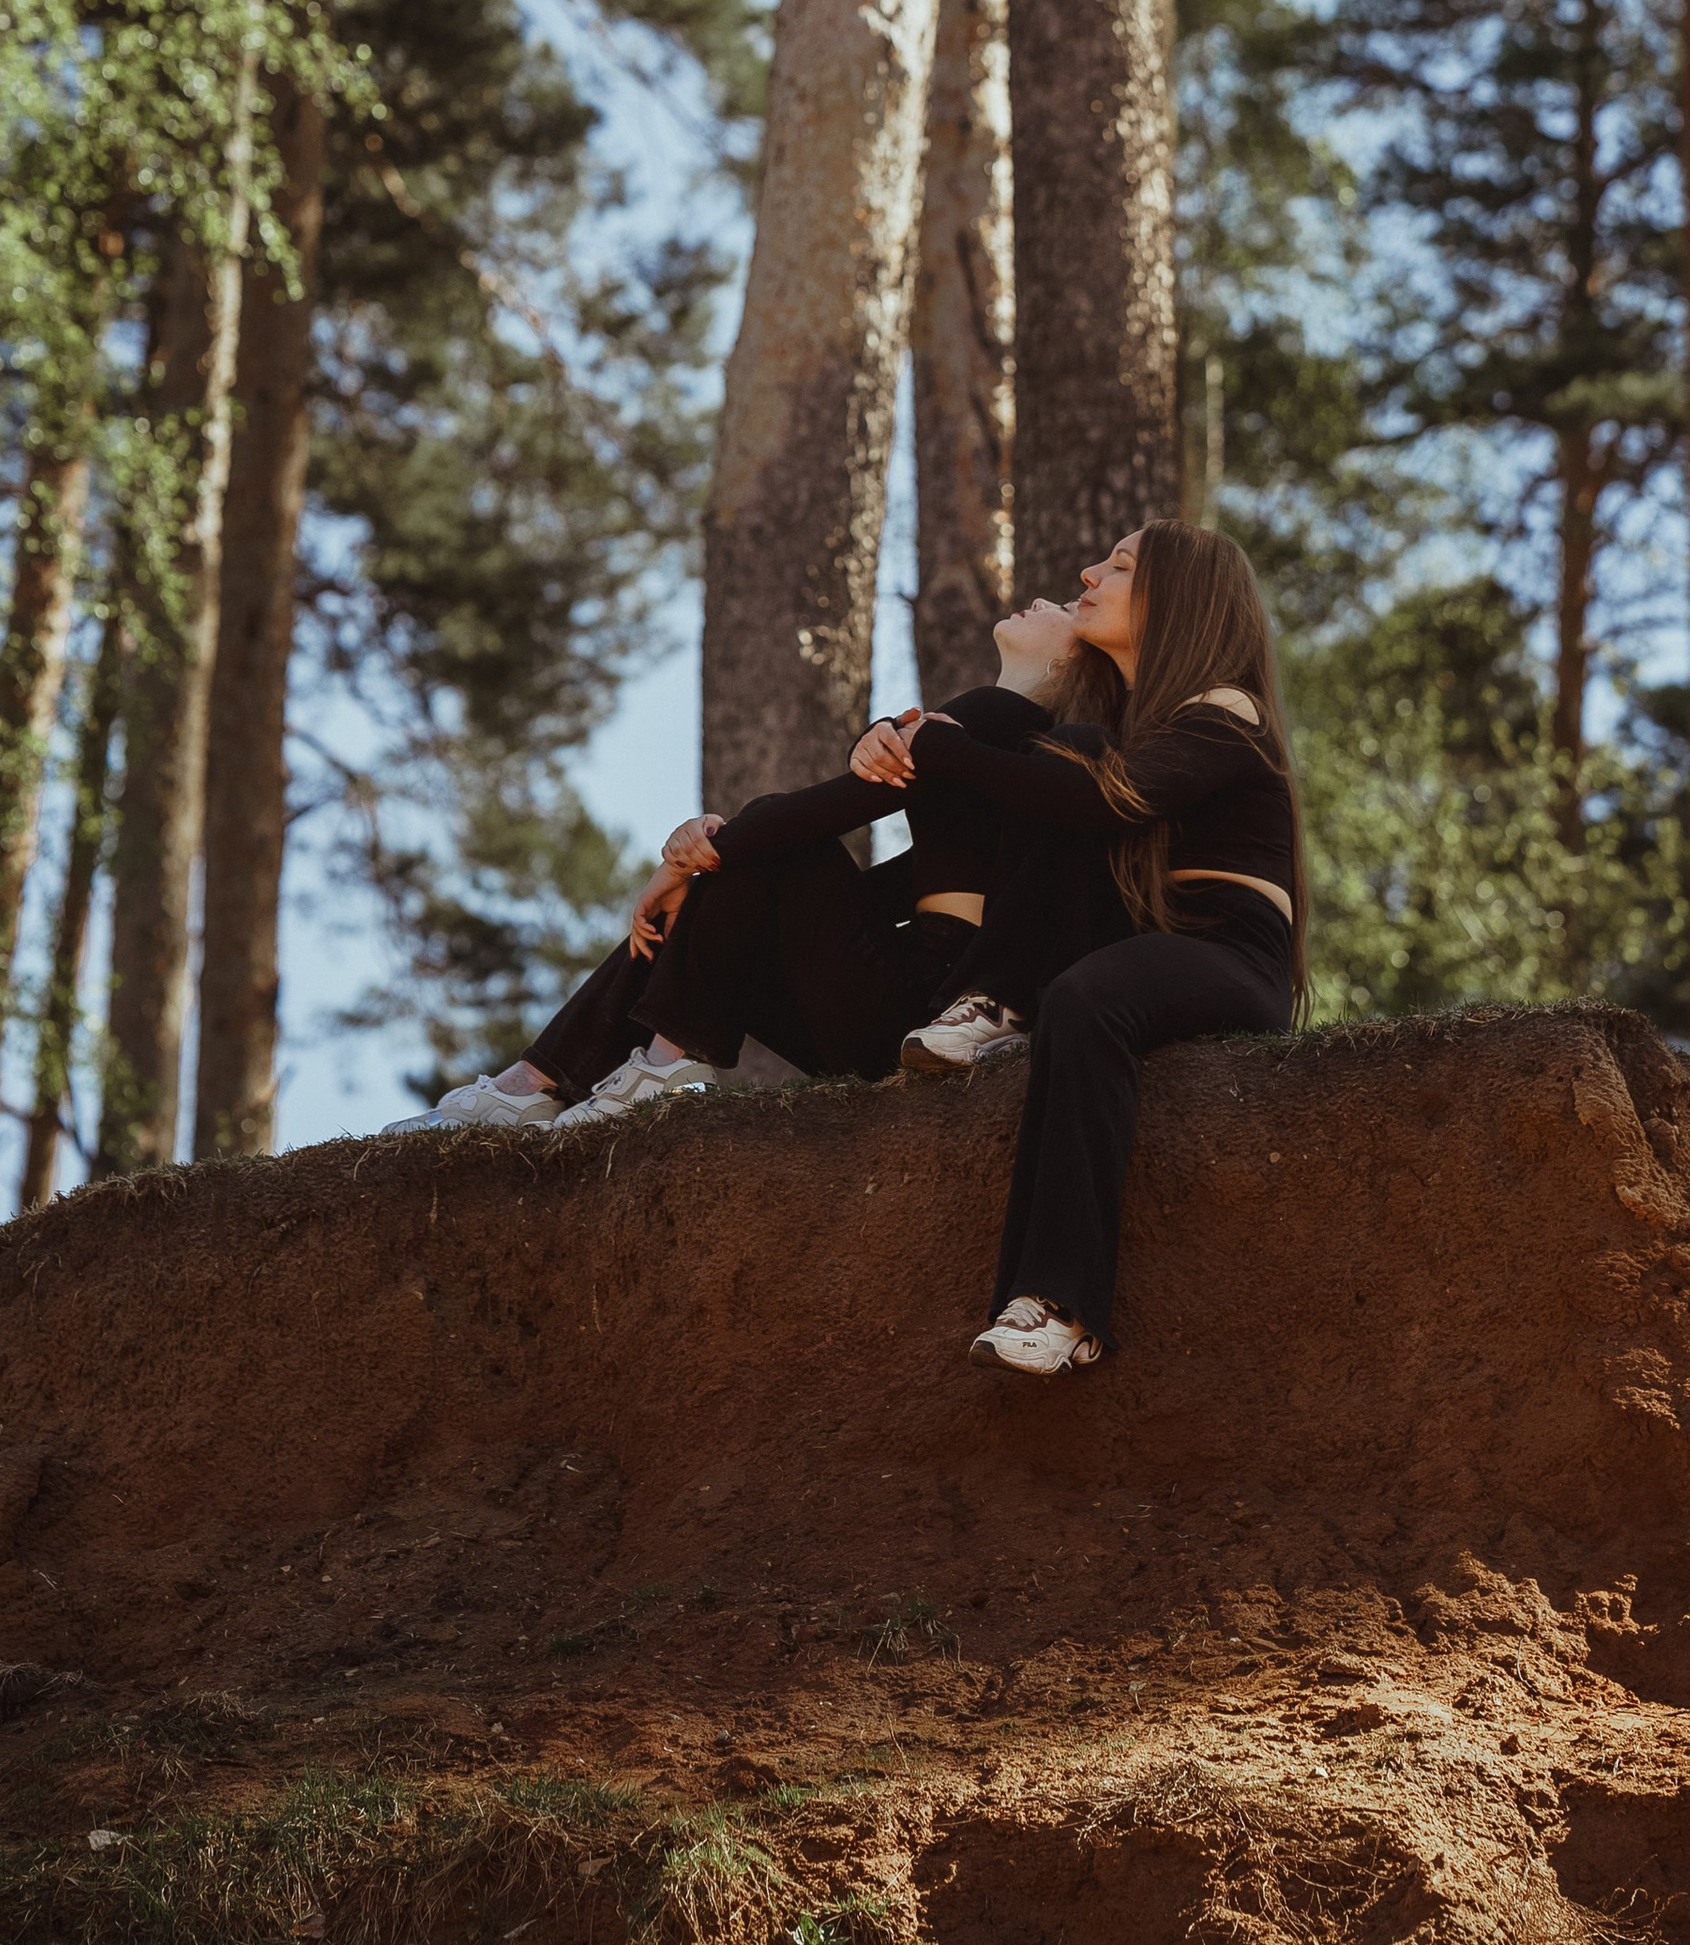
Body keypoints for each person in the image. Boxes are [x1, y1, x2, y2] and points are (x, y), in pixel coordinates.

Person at [857, 523, 1305, 1377]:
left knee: (1089, 989)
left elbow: (1110, 802)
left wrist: (937, 743)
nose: (1090, 573)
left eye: (1122, 566)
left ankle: (1062, 1309)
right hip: (1149, 941)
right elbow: (1013, 818)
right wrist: (894, 743)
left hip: (1231, 955)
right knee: (1071, 762)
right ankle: (998, 1001)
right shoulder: (1111, 727)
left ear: (1179, 598)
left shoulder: (1227, 708)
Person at [387, 630, 1067, 1137]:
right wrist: (724, 871)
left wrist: (700, 856)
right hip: (892, 1007)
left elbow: (843, 807)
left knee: (775, 831)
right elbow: (879, 891)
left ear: (1068, 660)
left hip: (930, 1003)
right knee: (759, 854)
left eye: (1065, 604)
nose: (1075, 587)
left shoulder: (1010, 713)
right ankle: (557, 1078)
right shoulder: (1010, 749)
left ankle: (596, 1073)